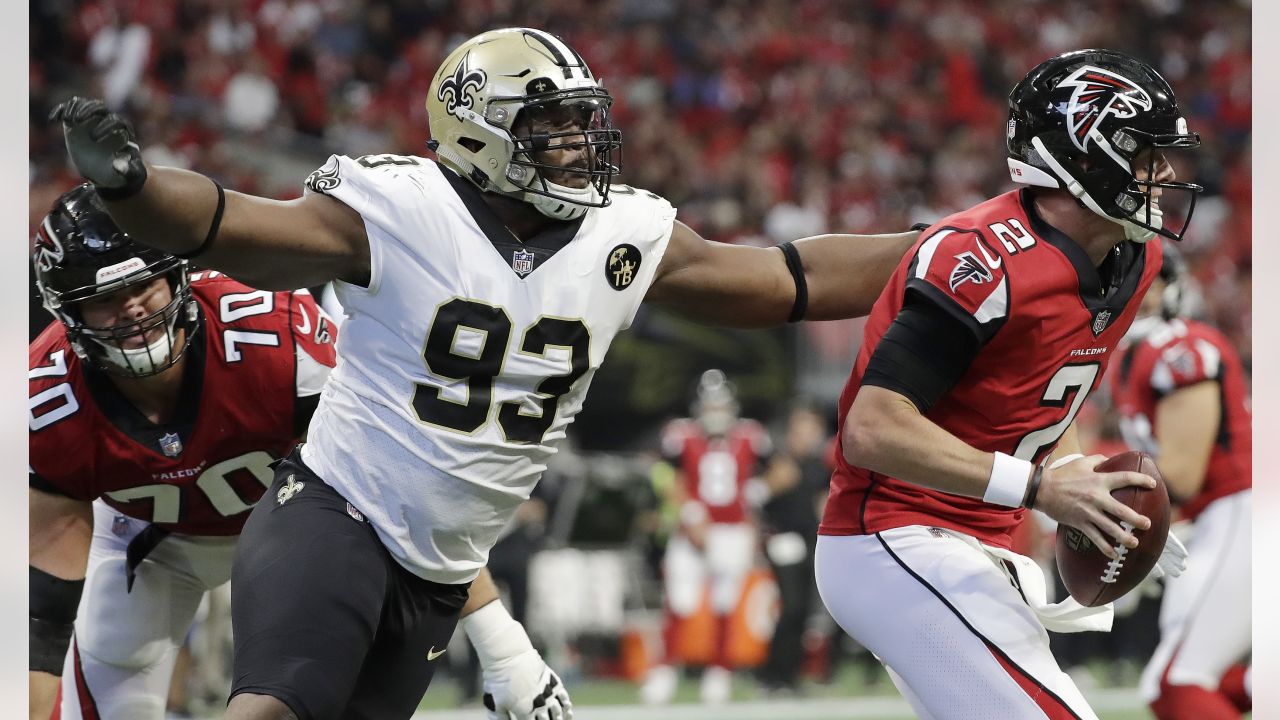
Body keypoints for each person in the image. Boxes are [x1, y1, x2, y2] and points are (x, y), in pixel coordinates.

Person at [51, 26, 917, 720]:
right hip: (336, 511)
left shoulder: (625, 233)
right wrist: (137, 192)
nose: (580, 146)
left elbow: (781, 280)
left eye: (583, 123)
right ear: (481, 134)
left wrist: (952, 246)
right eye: (552, 128)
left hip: (441, 566)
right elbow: (239, 228)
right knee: (275, 704)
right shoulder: (405, 209)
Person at [815, 49, 1195, 719]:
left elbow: (1048, 391)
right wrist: (1042, 488)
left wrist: (1083, 486)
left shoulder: (1135, 257)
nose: (1164, 173)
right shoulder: (982, 258)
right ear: (1082, 158)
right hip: (892, 536)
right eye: (1142, 152)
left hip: (978, 543)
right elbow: (872, 428)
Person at [28, 183, 338, 719]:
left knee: (315, 684)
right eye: (104, 300)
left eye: (144, 285)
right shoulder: (44, 399)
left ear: (179, 275)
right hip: (155, 547)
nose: (131, 312)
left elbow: (383, 483)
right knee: (112, 660)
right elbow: (42, 612)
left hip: (293, 531)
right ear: (69, 315)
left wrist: (497, 639)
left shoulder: (276, 337)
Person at [1110, 249, 1252, 719]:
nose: (1135, 294)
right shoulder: (1128, 359)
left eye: (1146, 281)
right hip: (1225, 518)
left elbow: (1186, 473)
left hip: (1243, 509)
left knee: (1177, 682)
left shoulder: (1179, 348)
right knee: (1193, 682)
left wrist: (1100, 498)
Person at [641, 369, 770, 705]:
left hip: (733, 531)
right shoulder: (680, 434)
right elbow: (665, 474)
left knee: (725, 604)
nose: (715, 412)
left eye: (720, 405)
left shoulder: (750, 434)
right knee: (679, 603)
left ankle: (719, 672)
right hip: (692, 530)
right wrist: (690, 513)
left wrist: (758, 492)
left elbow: (783, 468)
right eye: (710, 406)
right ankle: (664, 672)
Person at [756, 402, 829, 696]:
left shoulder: (818, 467)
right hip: (783, 539)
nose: (806, 436)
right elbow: (757, 494)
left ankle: (791, 675)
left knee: (803, 611)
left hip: (811, 540)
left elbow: (822, 502)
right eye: (801, 430)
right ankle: (772, 675)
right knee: (791, 607)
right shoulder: (777, 460)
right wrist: (775, 480)